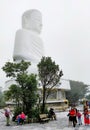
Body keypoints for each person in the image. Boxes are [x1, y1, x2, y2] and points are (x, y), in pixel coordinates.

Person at [13, 9, 44, 74]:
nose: (41, 24)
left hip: (38, 65)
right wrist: (40, 63)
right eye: (38, 20)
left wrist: (43, 64)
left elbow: (42, 57)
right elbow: (18, 54)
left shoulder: (40, 39)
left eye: (41, 21)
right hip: (26, 65)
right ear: (26, 20)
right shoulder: (21, 32)